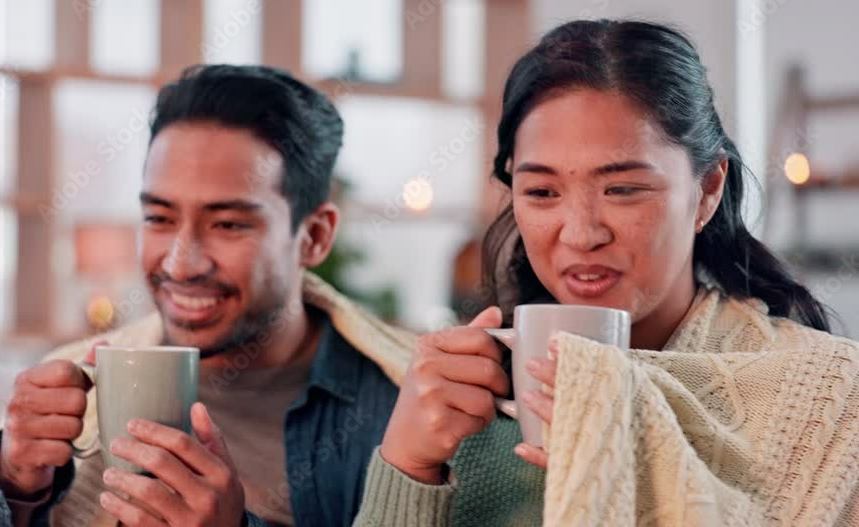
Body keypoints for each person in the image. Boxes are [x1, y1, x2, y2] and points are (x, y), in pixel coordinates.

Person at [354, 19, 859, 526]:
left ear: (707, 190)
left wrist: (646, 487)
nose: (579, 235)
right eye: (542, 193)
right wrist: (409, 466)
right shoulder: (463, 409)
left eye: (622, 190)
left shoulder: (830, 399)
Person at [0, 64, 412, 527]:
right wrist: (14, 483)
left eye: (229, 223)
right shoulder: (83, 386)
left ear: (315, 236)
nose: (180, 263)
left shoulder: (405, 416)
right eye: (159, 218)